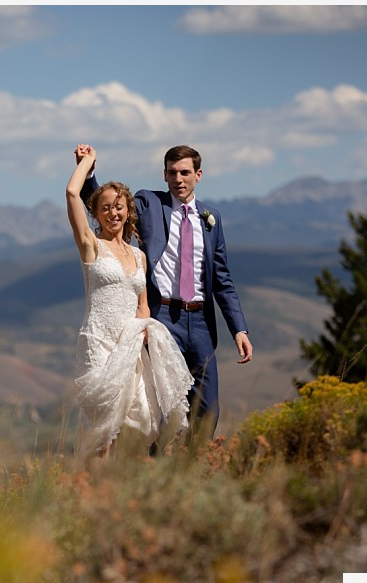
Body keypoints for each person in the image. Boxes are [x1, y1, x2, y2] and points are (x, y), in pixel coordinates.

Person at [81, 144, 252, 445]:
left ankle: (192, 470)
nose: (179, 179)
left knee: (207, 408)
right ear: (164, 175)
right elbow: (109, 206)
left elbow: (222, 279)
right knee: (161, 408)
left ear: (198, 175)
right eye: (172, 173)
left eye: (185, 173)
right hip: (162, 318)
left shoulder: (212, 219)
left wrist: (238, 328)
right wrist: (89, 173)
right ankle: (155, 470)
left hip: (201, 323)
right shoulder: (149, 204)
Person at [67, 144, 193, 465]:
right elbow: (71, 193)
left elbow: (143, 306)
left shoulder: (138, 256)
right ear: (96, 213)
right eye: (105, 207)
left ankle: (118, 498)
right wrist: (87, 164)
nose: (113, 213)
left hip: (129, 349)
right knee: (103, 432)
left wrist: (145, 335)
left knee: (136, 428)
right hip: (99, 343)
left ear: (128, 211)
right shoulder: (91, 247)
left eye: (119, 207)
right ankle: (90, 499)